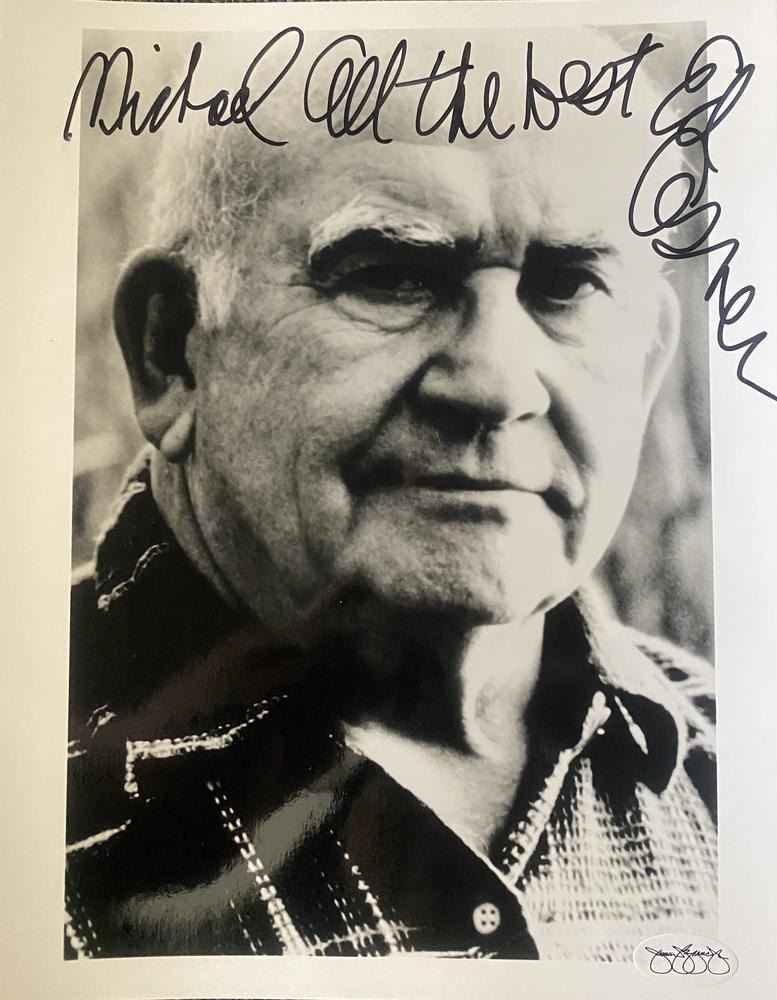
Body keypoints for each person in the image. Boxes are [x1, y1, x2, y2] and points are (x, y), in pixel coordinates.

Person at [65, 27, 717, 963]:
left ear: (648, 364)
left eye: (567, 288)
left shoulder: (743, 777)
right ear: (171, 352)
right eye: (393, 277)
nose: (497, 386)